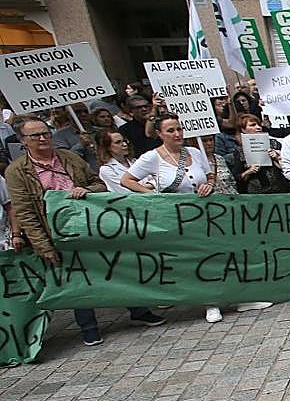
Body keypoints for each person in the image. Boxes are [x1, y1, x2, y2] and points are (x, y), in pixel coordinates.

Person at [5, 114, 165, 345]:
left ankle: (139, 310)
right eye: (36, 135)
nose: (43, 138)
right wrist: (43, 245)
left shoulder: (68, 158)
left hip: (90, 226)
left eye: (45, 133)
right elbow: (25, 211)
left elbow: (98, 183)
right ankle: (88, 327)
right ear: (23, 141)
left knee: (116, 269)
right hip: (56, 233)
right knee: (77, 280)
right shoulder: (17, 171)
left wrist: (84, 189)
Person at [121, 115, 233, 323]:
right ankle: (210, 302)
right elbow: (126, 180)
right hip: (178, 218)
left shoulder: (195, 152)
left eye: (179, 129)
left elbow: (209, 175)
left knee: (219, 254)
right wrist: (151, 194)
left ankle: (234, 295)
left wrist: (209, 184)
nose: (177, 134)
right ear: (159, 134)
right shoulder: (151, 157)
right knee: (198, 260)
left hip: (205, 214)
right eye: (171, 130)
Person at [231, 113, 290, 194]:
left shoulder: (274, 144)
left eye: (259, 124)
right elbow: (238, 177)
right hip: (256, 194)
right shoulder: (240, 151)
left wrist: (277, 157)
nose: (258, 127)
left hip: (281, 189)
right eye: (253, 125)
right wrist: (248, 172)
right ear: (243, 129)